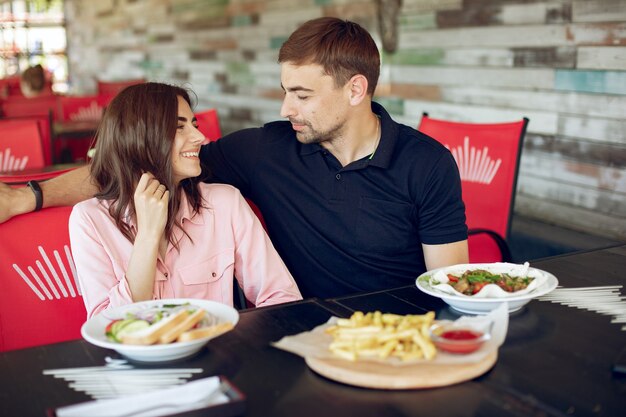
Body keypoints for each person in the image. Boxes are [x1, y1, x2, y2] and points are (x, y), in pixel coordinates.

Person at [0, 17, 468, 299]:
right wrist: (30, 196)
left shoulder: (426, 164)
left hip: (404, 336)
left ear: (356, 89)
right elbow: (138, 164)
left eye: (302, 95)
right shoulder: (267, 150)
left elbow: (450, 288)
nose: (286, 109)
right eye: (285, 92)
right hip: (305, 336)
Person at [68, 82, 301, 318]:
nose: (199, 136)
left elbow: (282, 296)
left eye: (194, 124)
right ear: (138, 138)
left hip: (221, 350)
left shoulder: (225, 202)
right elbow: (106, 325)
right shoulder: (89, 219)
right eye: (179, 127)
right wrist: (148, 236)